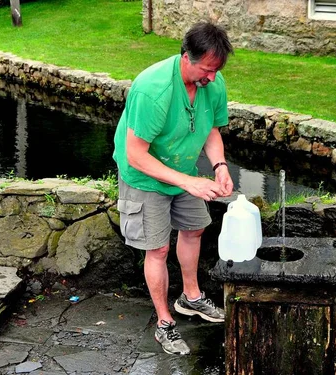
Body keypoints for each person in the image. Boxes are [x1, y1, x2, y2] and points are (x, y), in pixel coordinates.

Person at [112, 21, 234, 355]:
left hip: (181, 167)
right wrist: (188, 181)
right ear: (186, 56)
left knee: (194, 229)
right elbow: (135, 155)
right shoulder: (153, 89)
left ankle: (190, 298)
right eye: (207, 70)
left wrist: (219, 166)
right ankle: (165, 323)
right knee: (158, 250)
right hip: (145, 174)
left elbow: (209, 129)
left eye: (216, 70)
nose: (211, 78)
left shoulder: (212, 82)